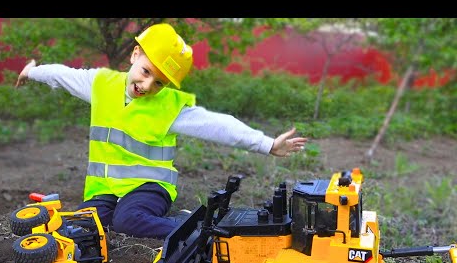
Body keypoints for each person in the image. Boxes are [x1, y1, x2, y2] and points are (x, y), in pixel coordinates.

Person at [15, 22, 308, 240]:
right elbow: (63, 75)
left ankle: (197, 230)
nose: (147, 85)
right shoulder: (100, 85)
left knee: (127, 222)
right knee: (82, 225)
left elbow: (216, 124)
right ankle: (163, 220)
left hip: (150, 188)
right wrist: (32, 71)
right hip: (103, 190)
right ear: (134, 55)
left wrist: (266, 144)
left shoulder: (169, 107)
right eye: (146, 71)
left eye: (159, 82)